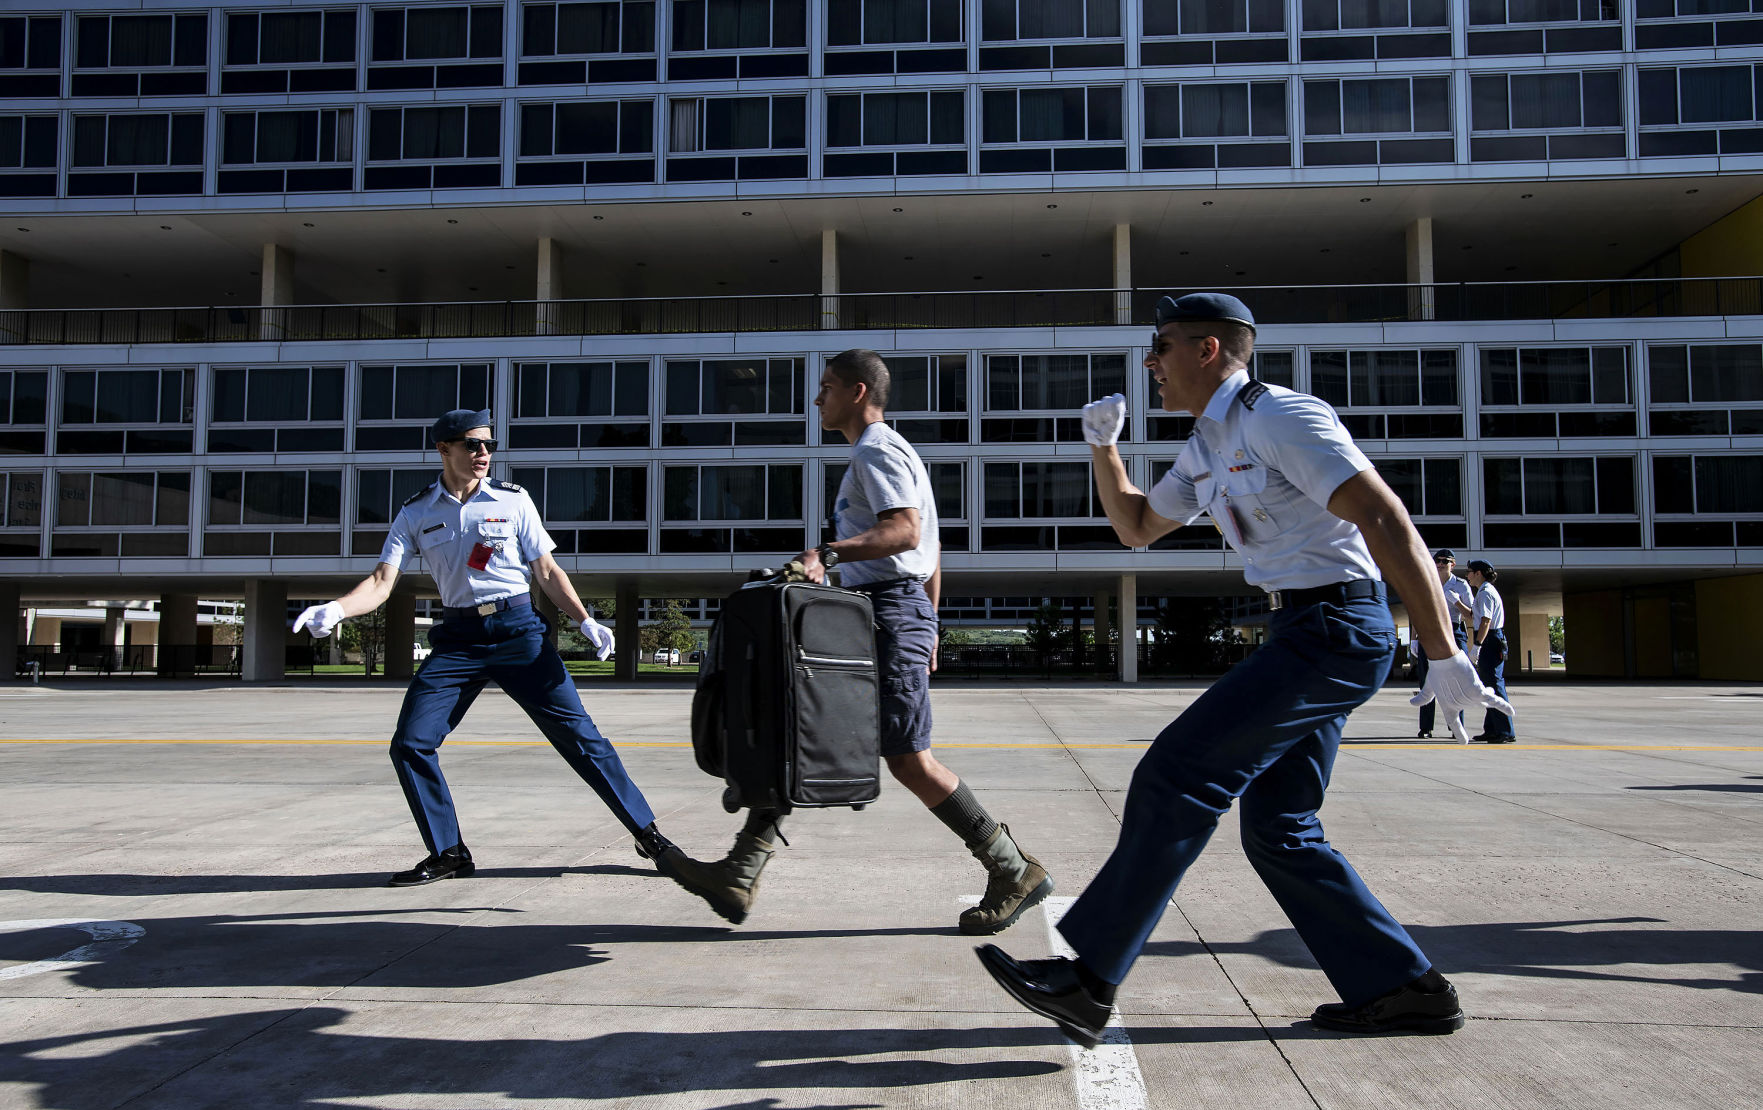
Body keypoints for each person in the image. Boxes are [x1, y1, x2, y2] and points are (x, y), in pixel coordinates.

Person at [974, 292, 1514, 1048]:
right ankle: (1402, 988)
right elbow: (1135, 526)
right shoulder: (1206, 443)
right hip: (1306, 626)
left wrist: (1441, 648)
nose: (1148, 363)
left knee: (1175, 774)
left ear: (1207, 350)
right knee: (1280, 828)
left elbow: (1384, 517)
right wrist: (1103, 450)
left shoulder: (1277, 416)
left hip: (1334, 626)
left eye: (1160, 346)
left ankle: (1087, 974)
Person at [669, 348, 1054, 935]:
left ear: (855, 392)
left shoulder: (876, 448)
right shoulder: (881, 452)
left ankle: (1013, 869)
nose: (817, 398)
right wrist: (930, 620)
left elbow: (906, 532)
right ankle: (740, 872)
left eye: (825, 387)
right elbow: (933, 548)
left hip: (889, 612)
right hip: (885, 614)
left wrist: (828, 555)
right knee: (809, 735)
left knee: (908, 758)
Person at [292, 408, 705, 894]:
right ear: (444, 450)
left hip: (519, 633)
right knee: (410, 743)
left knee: (582, 738)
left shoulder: (513, 501)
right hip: (459, 640)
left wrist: (585, 619)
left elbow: (547, 571)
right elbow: (383, 582)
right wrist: (338, 610)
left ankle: (649, 836)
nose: (483, 453)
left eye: (488, 444)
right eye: (471, 444)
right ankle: (449, 852)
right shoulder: (417, 511)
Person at [1414, 548, 1475, 738]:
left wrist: (1456, 602)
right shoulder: (1426, 581)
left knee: (1456, 683)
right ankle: (1425, 728)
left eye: (1444, 561)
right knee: (1427, 681)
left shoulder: (1461, 585)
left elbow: (1471, 615)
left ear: (1452, 564)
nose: (1440, 564)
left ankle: (1456, 728)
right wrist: (1414, 639)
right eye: (1437, 560)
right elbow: (1417, 611)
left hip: (1453, 632)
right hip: (1429, 632)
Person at [1464, 559, 1515, 744]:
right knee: (1490, 687)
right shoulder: (1484, 592)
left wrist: (1477, 645)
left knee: (1495, 685)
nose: (1467, 575)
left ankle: (1505, 730)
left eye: (1470, 571)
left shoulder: (1485, 593)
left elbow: (1485, 621)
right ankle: (1493, 729)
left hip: (1490, 639)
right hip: (1490, 638)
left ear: (1479, 573)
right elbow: (1473, 616)